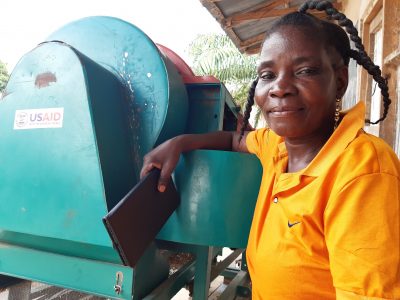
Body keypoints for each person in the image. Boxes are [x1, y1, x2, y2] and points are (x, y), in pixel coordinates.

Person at [140, 1, 400, 299]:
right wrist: (180, 142)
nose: (280, 87)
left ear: (339, 82)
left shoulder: (362, 174)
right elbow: (235, 141)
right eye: (267, 75)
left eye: (304, 71)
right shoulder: (279, 145)